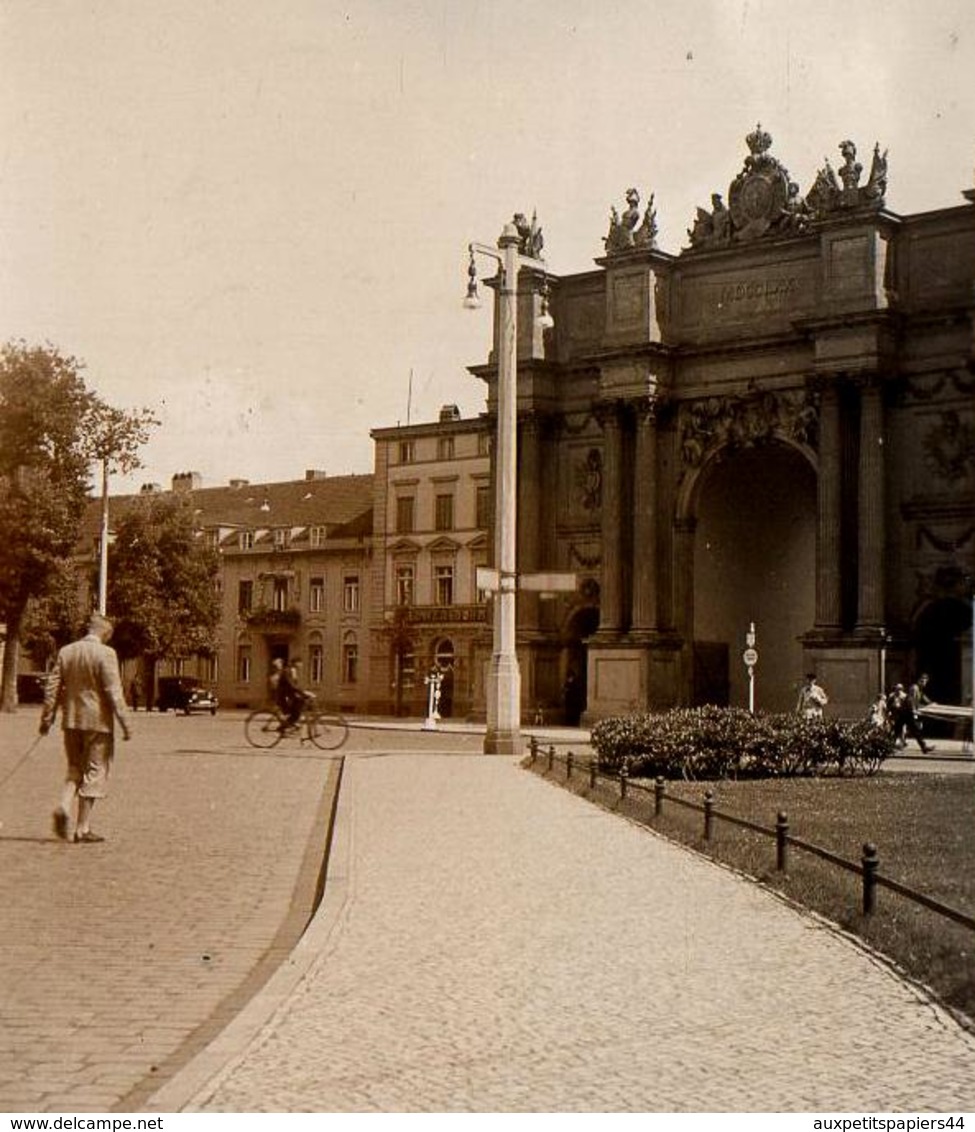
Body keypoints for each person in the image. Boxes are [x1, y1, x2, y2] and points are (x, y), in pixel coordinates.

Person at [39, 612, 131, 844]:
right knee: (94, 771)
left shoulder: (66, 651)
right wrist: (125, 723)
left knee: (74, 768)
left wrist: (47, 719)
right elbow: (113, 692)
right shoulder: (107, 654)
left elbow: (52, 688)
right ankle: (82, 828)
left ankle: (63, 805)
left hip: (71, 721)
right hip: (98, 723)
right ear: (105, 632)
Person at [902, 674, 936, 754]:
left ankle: (924, 747)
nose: (924, 684)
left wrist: (932, 704)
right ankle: (924, 747)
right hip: (906, 712)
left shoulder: (920, 690)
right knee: (914, 730)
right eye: (923, 681)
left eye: (925, 682)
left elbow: (924, 698)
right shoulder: (914, 688)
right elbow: (911, 700)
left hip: (907, 713)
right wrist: (913, 710)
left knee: (914, 730)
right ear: (919, 681)